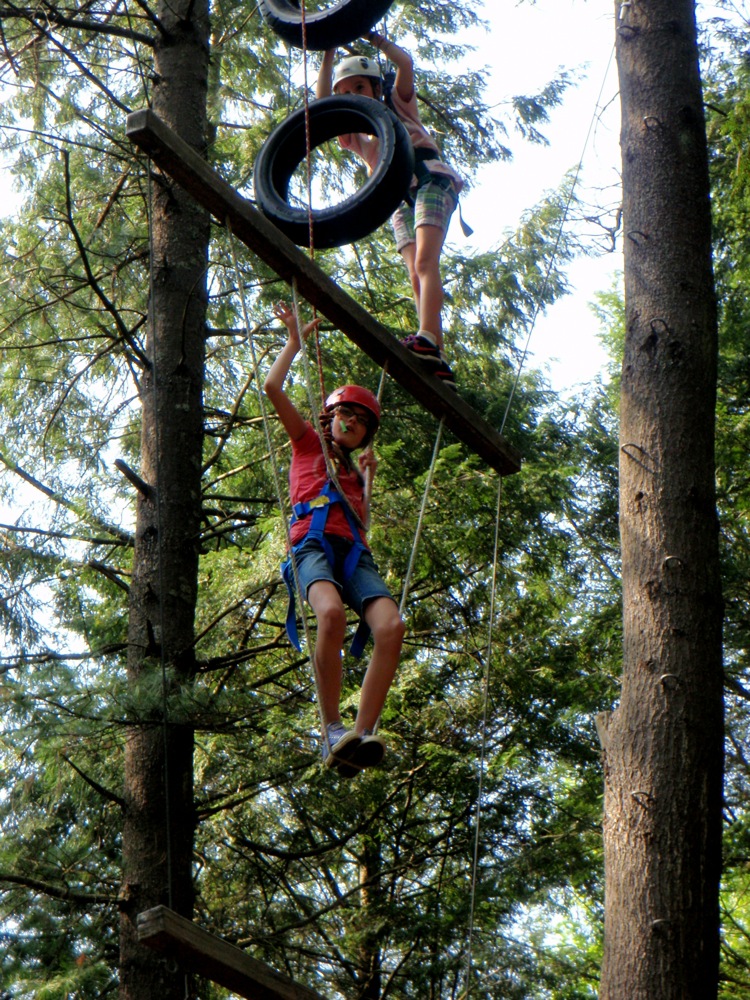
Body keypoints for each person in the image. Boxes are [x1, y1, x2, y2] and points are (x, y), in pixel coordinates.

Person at [263, 301, 405, 777]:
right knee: (330, 614)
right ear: (330, 417)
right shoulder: (306, 440)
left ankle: (359, 736)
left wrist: (367, 483)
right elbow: (272, 388)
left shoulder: (354, 469)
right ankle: (331, 728)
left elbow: (361, 520)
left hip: (353, 553)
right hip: (312, 545)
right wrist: (293, 344)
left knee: (391, 627)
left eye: (361, 422)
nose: (353, 425)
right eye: (346, 416)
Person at [317, 32, 464, 387]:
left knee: (427, 262)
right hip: (397, 199)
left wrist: (371, 36)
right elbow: (323, 104)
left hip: (428, 179)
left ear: (375, 89)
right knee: (415, 273)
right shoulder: (358, 135)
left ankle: (427, 335)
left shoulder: (398, 106)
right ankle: (436, 353)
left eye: (360, 89)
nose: (353, 97)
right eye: (346, 93)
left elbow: (405, 64)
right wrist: (329, 49)